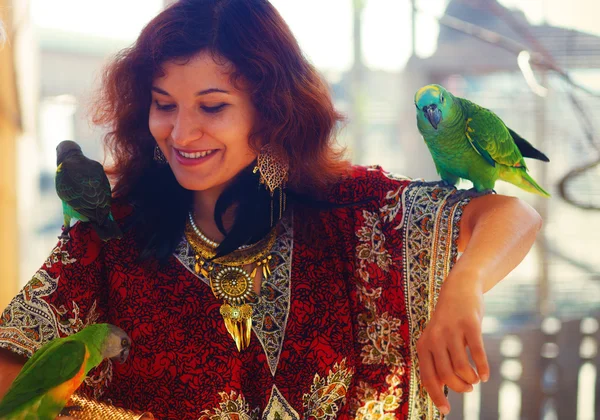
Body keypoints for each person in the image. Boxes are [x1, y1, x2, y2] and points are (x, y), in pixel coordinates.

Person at [0, 0, 542, 419]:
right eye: (164, 105)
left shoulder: (356, 216)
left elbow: (511, 217)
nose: (181, 133)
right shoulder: (110, 233)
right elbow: (10, 369)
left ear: (272, 109)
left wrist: (463, 285)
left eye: (212, 107)